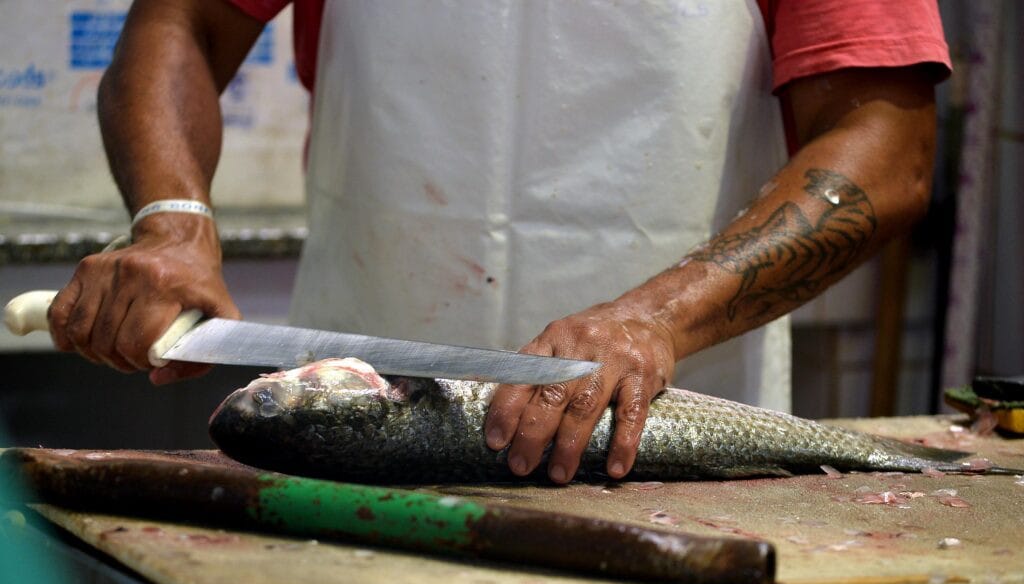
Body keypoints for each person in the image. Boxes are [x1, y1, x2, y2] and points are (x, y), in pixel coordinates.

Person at [48, 1, 951, 484]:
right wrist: (172, 220)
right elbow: (182, 20)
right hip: (354, 443)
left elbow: (888, 148)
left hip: (666, 445)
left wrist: (656, 318)